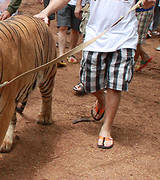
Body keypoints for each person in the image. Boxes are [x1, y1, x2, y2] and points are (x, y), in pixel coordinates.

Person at [35, 0, 155, 149]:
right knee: (89, 84)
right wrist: (46, 11)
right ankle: (102, 101)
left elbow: (149, 3)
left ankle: (106, 127)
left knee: (115, 85)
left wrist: (147, 3)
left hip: (125, 38)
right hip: (95, 38)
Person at [56, 0, 85, 66]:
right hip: (63, 2)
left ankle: (71, 53)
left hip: (80, 4)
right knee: (62, 27)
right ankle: (61, 55)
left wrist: (78, 4)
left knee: (75, 29)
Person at [134, 2, 154, 72]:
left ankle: (132, 64)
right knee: (130, 38)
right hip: (133, 9)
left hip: (143, 10)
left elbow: (151, 2)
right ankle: (144, 55)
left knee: (137, 40)